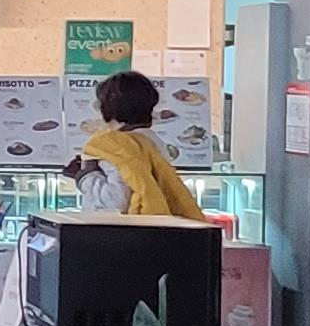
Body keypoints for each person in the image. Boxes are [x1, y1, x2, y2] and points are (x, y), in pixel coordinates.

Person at [69, 69, 208, 218]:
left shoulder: (116, 145)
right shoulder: (153, 141)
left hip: (116, 227)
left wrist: (85, 176)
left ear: (107, 107)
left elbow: (117, 201)